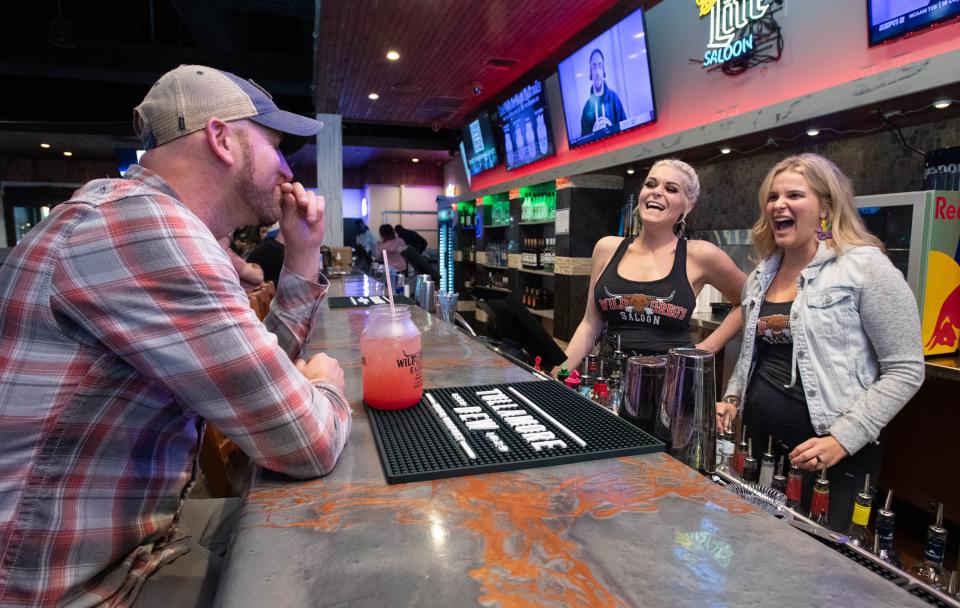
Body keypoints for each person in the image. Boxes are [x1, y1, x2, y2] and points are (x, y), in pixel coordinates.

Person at [0, 64, 353, 606]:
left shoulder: (142, 218)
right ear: (221, 138)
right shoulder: (145, 228)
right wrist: (327, 383)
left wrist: (302, 254)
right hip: (68, 588)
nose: (287, 167)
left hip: (130, 550)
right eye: (277, 144)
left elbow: (253, 377)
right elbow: (307, 441)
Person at [716, 154, 924, 531]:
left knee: (821, 568)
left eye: (794, 195)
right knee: (757, 545)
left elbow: (906, 369)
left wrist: (842, 439)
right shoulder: (761, 274)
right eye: (772, 197)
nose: (779, 204)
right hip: (760, 445)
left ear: (826, 207)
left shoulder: (865, 267)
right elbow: (752, 354)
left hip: (834, 456)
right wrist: (732, 398)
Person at [560, 159, 746, 372]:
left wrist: (705, 348)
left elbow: (749, 300)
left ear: (688, 205)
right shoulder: (607, 248)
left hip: (672, 384)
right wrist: (560, 372)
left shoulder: (700, 254)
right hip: (610, 381)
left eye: (671, 189)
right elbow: (590, 324)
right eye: (650, 184)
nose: (657, 192)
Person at [579, 48, 627, 140]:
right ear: (590, 72)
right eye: (594, 67)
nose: (597, 72)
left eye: (600, 66)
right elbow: (584, 141)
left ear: (603, 70)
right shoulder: (586, 109)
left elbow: (626, 127)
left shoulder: (614, 99)